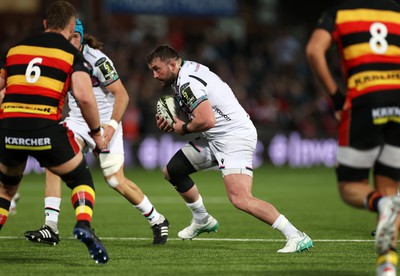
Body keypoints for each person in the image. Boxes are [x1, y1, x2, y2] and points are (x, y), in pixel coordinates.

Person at [146, 44, 313, 253]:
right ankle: (202, 220)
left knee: (241, 199)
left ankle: (296, 235)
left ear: (172, 64)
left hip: (233, 137)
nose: (154, 75)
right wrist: (174, 118)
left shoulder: (187, 81)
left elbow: (207, 119)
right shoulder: (186, 71)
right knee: (173, 171)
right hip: (215, 137)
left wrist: (182, 127)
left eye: (156, 69)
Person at [23, 19, 169, 246]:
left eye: (74, 36)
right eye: (66, 36)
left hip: (104, 122)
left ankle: (158, 219)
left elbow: (122, 95)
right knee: (54, 163)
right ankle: (50, 227)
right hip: (77, 121)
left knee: (115, 180)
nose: (69, 41)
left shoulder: (97, 60)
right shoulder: (59, 58)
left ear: (80, 37)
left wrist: (111, 126)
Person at [0, 1, 109, 264]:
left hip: (9, 128)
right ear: (72, 29)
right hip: (46, 129)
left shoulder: (15, 49)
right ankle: (83, 224)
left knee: (5, 191)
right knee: (81, 177)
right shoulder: (71, 54)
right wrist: (96, 132)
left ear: (45, 23)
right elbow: (84, 97)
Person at [306, 0, 400, 275]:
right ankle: (387, 266)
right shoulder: (396, 11)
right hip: (398, 101)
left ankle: (381, 205)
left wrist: (336, 98)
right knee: (391, 192)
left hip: (364, 99)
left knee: (351, 188)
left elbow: (314, 51)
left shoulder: (340, 11)